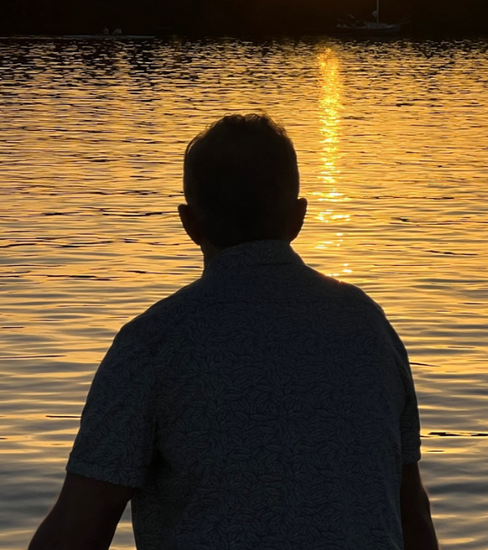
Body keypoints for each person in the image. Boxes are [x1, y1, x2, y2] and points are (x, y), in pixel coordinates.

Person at [28, 114, 439, 550]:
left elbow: (79, 525)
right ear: (298, 217)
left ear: (190, 224)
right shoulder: (369, 326)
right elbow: (410, 509)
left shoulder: (153, 342)